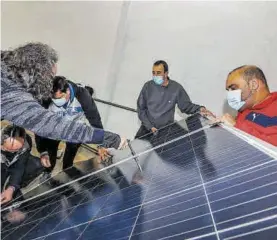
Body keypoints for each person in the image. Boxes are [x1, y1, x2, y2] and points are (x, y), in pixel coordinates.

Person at [1, 42, 127, 151]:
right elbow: (48, 125)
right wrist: (109, 138)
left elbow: (93, 117)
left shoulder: (5, 65)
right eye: (48, 78)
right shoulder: (11, 93)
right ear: (37, 73)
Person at [35, 76, 104, 179]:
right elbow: (39, 125)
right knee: (50, 153)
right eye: (53, 98)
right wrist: (42, 150)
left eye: (58, 98)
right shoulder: (46, 98)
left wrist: (101, 144)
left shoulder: (83, 96)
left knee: (70, 155)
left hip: (75, 129)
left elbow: (95, 119)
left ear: (67, 91)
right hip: (54, 129)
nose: (56, 101)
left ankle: (67, 169)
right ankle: (48, 171)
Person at [135, 60, 214, 138]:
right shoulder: (147, 86)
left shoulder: (176, 88)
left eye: (158, 73)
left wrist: (200, 109)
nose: (155, 76)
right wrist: (150, 126)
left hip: (165, 131)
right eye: (153, 73)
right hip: (146, 129)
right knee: (134, 149)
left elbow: (186, 106)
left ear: (166, 73)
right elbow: (141, 109)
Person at [221, 65, 277, 146]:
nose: (230, 94)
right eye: (228, 90)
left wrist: (237, 126)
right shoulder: (245, 109)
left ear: (253, 85)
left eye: (233, 88)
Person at [1, 125, 45, 205]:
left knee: (37, 164)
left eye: (17, 149)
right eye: (9, 148)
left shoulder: (26, 143)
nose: (13, 151)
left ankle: (14, 189)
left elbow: (19, 167)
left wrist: (11, 188)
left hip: (12, 164)